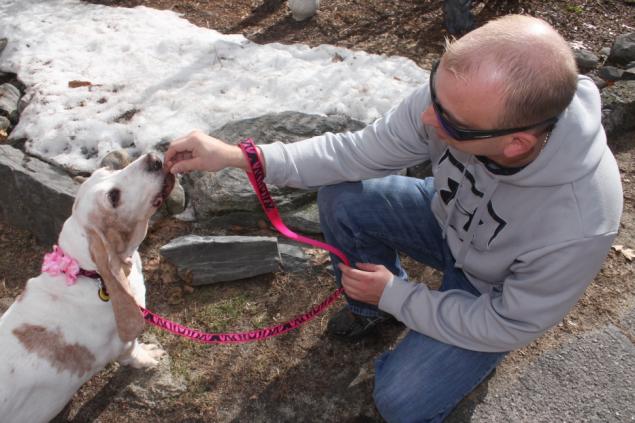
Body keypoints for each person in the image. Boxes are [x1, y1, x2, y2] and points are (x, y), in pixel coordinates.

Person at [164, 15, 623, 423]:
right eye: (433, 90)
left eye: (448, 118)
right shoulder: (459, 102)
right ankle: (371, 312)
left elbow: (509, 322)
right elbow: (355, 154)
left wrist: (400, 296)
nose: (427, 117)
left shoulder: (579, 220)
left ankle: (408, 322)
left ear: (516, 144)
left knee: (402, 403)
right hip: (443, 218)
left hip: (492, 292)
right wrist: (239, 156)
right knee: (344, 198)